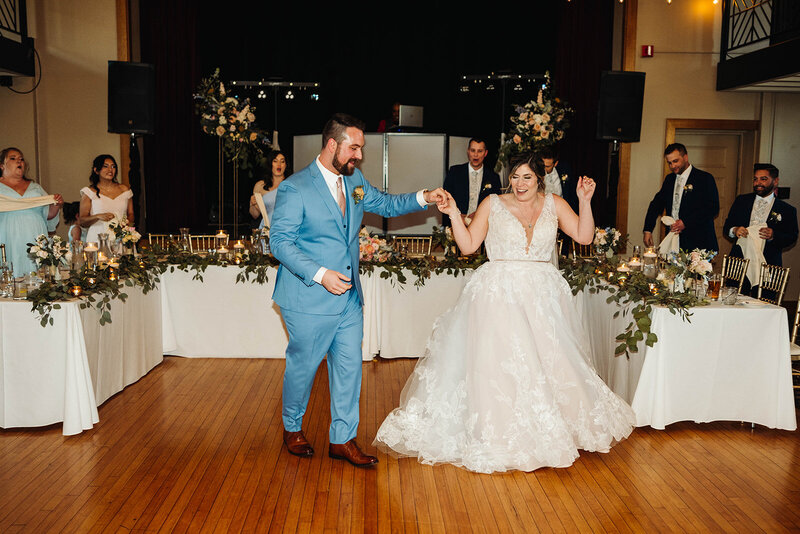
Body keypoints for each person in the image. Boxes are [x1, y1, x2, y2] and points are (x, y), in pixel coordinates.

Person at [374, 153, 635, 474]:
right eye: (515, 177)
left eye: (527, 177)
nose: (520, 183)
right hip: (499, 293)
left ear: (539, 179)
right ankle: (498, 429)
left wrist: (585, 201)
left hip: (544, 294)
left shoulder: (555, 203)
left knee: (550, 359)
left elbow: (584, 237)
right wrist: (455, 214)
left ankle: (553, 424)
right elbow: (469, 245)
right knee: (500, 363)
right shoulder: (492, 204)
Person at [269, 113, 447, 467]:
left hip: (349, 298)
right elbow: (280, 243)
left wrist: (425, 196)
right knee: (303, 368)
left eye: (361, 149)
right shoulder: (295, 188)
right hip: (308, 298)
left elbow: (386, 204)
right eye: (354, 148)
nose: (359, 156)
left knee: (350, 369)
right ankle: (292, 428)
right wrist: (320, 274)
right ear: (332, 144)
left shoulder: (355, 182)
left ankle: (343, 439)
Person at [722, 163, 798, 293]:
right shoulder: (742, 201)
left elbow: (792, 236)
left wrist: (774, 235)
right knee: (734, 301)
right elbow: (727, 227)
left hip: (768, 264)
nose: (758, 183)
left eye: (763, 179)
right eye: (755, 179)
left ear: (775, 181)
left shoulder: (787, 210)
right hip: (739, 263)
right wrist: (734, 230)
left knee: (765, 304)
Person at [643, 143, 719, 252]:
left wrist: (686, 222)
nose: (672, 166)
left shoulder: (704, 178)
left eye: (675, 161)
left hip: (698, 242)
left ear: (685, 157)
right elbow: (656, 204)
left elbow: (712, 208)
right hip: (674, 241)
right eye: (669, 163)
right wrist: (648, 229)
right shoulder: (669, 179)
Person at [0, 147, 63, 276]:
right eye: (13, 158)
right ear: (2, 165)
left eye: (21, 159)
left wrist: (56, 205)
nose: (19, 161)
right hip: (9, 236)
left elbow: (48, 215)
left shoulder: (35, 187)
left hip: (35, 235)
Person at [442, 137, 502, 227]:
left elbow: (496, 204)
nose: (476, 155)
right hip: (457, 224)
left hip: (482, 226)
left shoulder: (493, 177)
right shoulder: (455, 172)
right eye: (473, 150)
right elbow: (445, 199)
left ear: (485, 153)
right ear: (468, 151)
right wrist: (458, 215)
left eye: (480, 151)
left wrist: (478, 214)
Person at [79, 154, 134, 244]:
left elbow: (131, 214)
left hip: (121, 238)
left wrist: (126, 228)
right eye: (105, 166)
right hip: (97, 237)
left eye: (113, 166)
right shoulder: (89, 192)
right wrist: (98, 216)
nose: (110, 170)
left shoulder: (125, 190)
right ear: (96, 170)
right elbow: (82, 221)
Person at [540, 145, 578, 255]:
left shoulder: (565, 169)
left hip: (562, 218)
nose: (544, 169)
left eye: (547, 166)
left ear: (555, 163)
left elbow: (571, 194)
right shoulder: (536, 172)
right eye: (543, 165)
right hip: (542, 219)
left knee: (562, 251)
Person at [249, 149, 291, 228]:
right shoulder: (260, 185)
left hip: (286, 229)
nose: (279, 164)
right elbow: (255, 215)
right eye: (275, 161)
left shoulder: (292, 184)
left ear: (286, 165)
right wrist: (252, 204)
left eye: (282, 161)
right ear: (270, 164)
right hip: (267, 229)